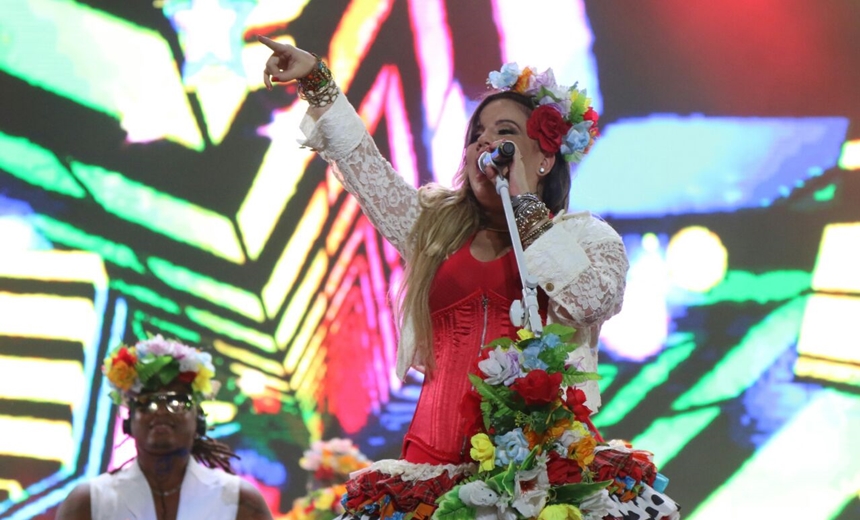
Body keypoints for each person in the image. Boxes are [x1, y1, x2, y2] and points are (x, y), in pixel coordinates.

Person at [258, 37, 680, 520]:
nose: (484, 143)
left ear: (545, 157)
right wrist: (317, 82)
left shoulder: (586, 237)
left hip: (539, 470)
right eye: (477, 132)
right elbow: (365, 167)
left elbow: (589, 300)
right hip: (430, 465)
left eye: (504, 133)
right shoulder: (432, 226)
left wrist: (521, 196)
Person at [56, 336, 273, 520]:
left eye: (176, 402)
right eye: (147, 403)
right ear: (128, 422)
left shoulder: (241, 502)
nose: (160, 411)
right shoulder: (88, 503)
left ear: (199, 419)